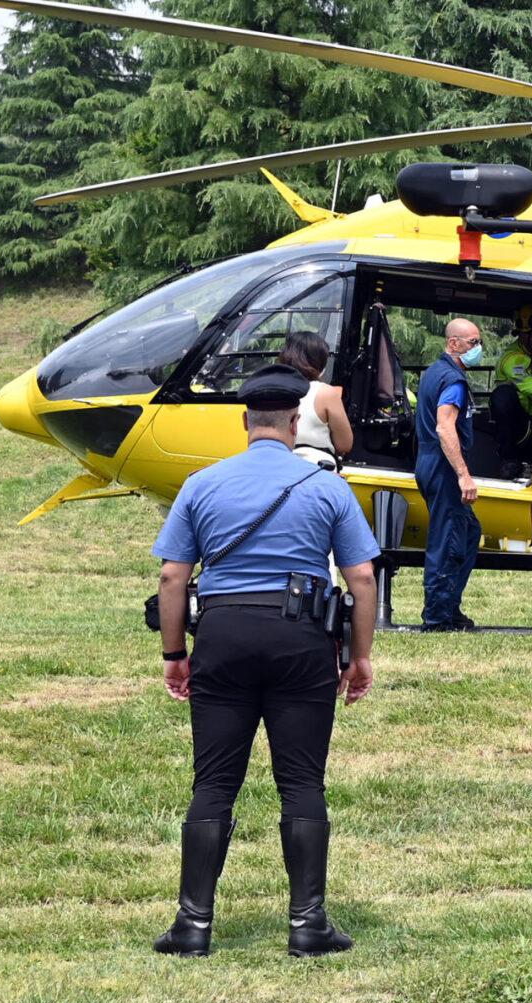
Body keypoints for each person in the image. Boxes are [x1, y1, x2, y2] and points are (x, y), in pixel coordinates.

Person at [152, 367, 381, 958]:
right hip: (302, 638)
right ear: (298, 421)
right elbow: (360, 576)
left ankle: (193, 924)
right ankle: (308, 924)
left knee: (214, 782)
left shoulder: (201, 484)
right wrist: (359, 658)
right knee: (302, 781)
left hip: (223, 636)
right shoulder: (327, 488)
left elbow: (173, 575)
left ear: (244, 421)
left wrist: (175, 653)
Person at [414, 318, 485, 633]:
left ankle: (449, 606)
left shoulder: (433, 373)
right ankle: (438, 618)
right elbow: (445, 427)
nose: (478, 349)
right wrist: (463, 475)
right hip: (443, 465)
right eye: (472, 343)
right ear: (453, 343)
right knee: (448, 541)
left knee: (468, 532)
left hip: (428, 461)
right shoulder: (453, 381)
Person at [279, 332, 354, 472]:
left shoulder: (274, 389)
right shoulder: (326, 393)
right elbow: (344, 445)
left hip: (281, 467)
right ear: (319, 362)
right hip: (319, 470)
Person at [487, 310, 532, 461]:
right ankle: (509, 461)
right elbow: (530, 385)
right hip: (519, 425)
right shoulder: (514, 360)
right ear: (524, 335)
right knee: (503, 395)